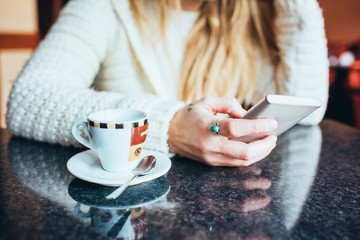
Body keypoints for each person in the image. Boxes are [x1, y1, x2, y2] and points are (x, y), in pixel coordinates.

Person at [6, 0, 329, 167]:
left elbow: (308, 109)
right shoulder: (104, 6)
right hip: (131, 210)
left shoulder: (252, 17)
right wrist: (170, 127)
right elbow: (29, 99)